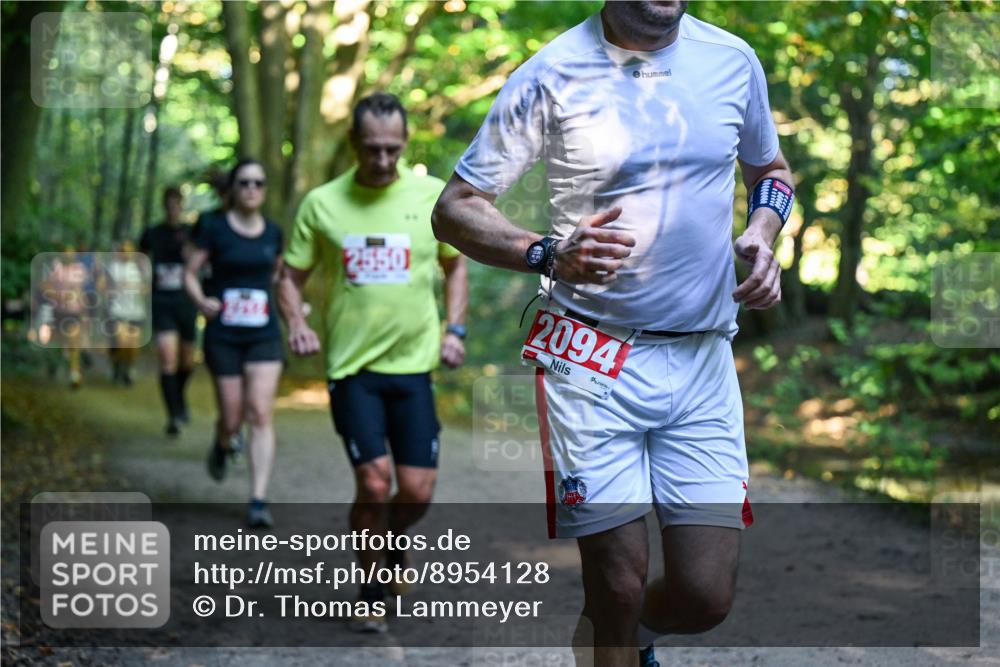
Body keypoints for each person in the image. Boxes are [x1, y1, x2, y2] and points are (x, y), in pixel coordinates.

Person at [432, 2, 795, 666]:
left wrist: (763, 235)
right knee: (618, 584)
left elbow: (771, 174)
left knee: (704, 595)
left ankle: (622, 638)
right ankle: (614, 631)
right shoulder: (551, 72)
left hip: (702, 356)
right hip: (589, 358)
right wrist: (545, 252)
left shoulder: (733, 61)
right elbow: (455, 208)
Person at [279, 92, 468, 633]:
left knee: (416, 492)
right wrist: (296, 322)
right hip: (351, 370)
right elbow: (288, 277)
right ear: (352, 144)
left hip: (415, 368)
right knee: (376, 483)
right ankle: (373, 586)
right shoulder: (322, 203)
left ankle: (387, 541)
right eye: (371, 149)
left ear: (405, 143)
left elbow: (455, 267)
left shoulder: (433, 198)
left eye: (392, 149)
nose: (382, 160)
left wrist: (455, 328)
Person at [184, 159, 285, 528]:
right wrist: (201, 301)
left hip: (263, 334)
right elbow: (189, 274)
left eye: (259, 183)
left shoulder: (274, 233)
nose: (251, 189)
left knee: (259, 412)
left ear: (265, 189)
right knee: (232, 415)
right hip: (223, 334)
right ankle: (222, 442)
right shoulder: (214, 229)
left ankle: (258, 499)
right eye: (244, 183)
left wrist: (292, 302)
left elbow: (280, 276)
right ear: (233, 189)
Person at [140, 187, 198, 433]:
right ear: (164, 206)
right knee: (167, 357)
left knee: (186, 360)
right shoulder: (152, 233)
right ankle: (173, 415)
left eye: (177, 203)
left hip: (186, 302)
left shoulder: (191, 234)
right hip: (162, 301)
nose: (173, 208)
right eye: (169, 204)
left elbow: (204, 260)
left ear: (182, 205)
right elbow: (139, 261)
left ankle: (180, 399)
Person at [106, 240, 148, 385]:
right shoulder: (113, 267)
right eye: (123, 250)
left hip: (136, 311)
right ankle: (117, 364)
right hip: (117, 310)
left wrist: (142, 289)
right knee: (121, 341)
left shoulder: (140, 267)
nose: (126, 253)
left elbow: (147, 286)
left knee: (133, 344)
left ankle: (128, 368)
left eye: (129, 250)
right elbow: (104, 286)